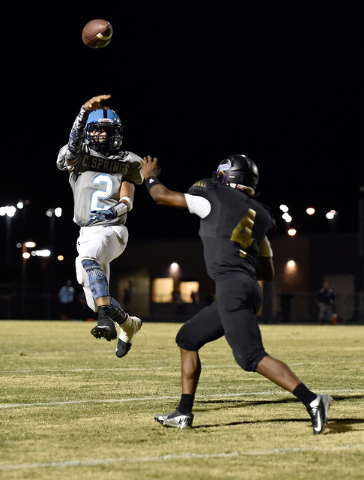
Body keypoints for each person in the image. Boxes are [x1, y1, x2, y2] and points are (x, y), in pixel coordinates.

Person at [141, 154, 332, 434]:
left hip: (231, 287)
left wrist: (150, 175)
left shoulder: (212, 195)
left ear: (225, 177)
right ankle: (183, 413)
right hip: (249, 289)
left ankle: (313, 400)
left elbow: (161, 196)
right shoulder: (260, 215)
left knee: (250, 356)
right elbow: (267, 274)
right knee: (187, 338)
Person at [57, 94, 143, 358]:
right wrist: (83, 110)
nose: (104, 136)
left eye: (109, 131)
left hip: (113, 230)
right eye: (99, 131)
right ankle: (128, 323)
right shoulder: (78, 154)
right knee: (95, 298)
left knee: (88, 258)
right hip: (86, 232)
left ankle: (105, 319)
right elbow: (69, 152)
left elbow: (128, 199)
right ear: (88, 132)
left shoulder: (128, 159)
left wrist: (115, 209)